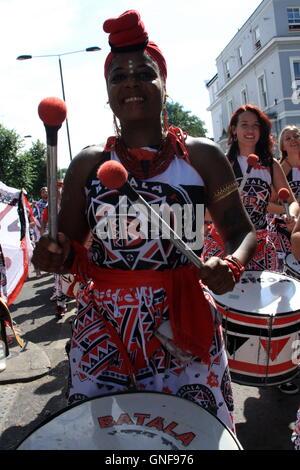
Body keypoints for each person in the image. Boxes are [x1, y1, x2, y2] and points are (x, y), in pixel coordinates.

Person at [32, 10, 257, 433]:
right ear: (107, 91)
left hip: (184, 326)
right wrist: (51, 255)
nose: (131, 82)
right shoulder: (88, 162)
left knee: (193, 438)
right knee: (108, 440)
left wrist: (232, 264)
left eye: (143, 73)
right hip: (105, 329)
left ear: (164, 84)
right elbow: (66, 251)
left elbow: (242, 231)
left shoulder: (203, 157)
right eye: (118, 76)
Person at [203, 105, 299, 273]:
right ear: (234, 129)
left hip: (261, 244)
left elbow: (291, 201)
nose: (251, 129)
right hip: (226, 243)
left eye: (256, 125)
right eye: (245, 124)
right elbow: (205, 209)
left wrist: (291, 214)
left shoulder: (271, 164)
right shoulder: (223, 163)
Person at [267, 125, 300, 264]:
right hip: (284, 228)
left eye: (296, 136)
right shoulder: (280, 170)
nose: (293, 140)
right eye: (288, 138)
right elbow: (267, 204)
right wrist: (288, 212)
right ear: (283, 147)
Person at [32, 187, 48, 277]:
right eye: (43, 192)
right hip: (40, 230)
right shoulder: (37, 205)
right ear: (41, 194)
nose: (45, 193)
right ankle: (37, 270)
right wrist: (40, 228)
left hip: (52, 228)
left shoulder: (53, 202)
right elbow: (34, 217)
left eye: (46, 192)